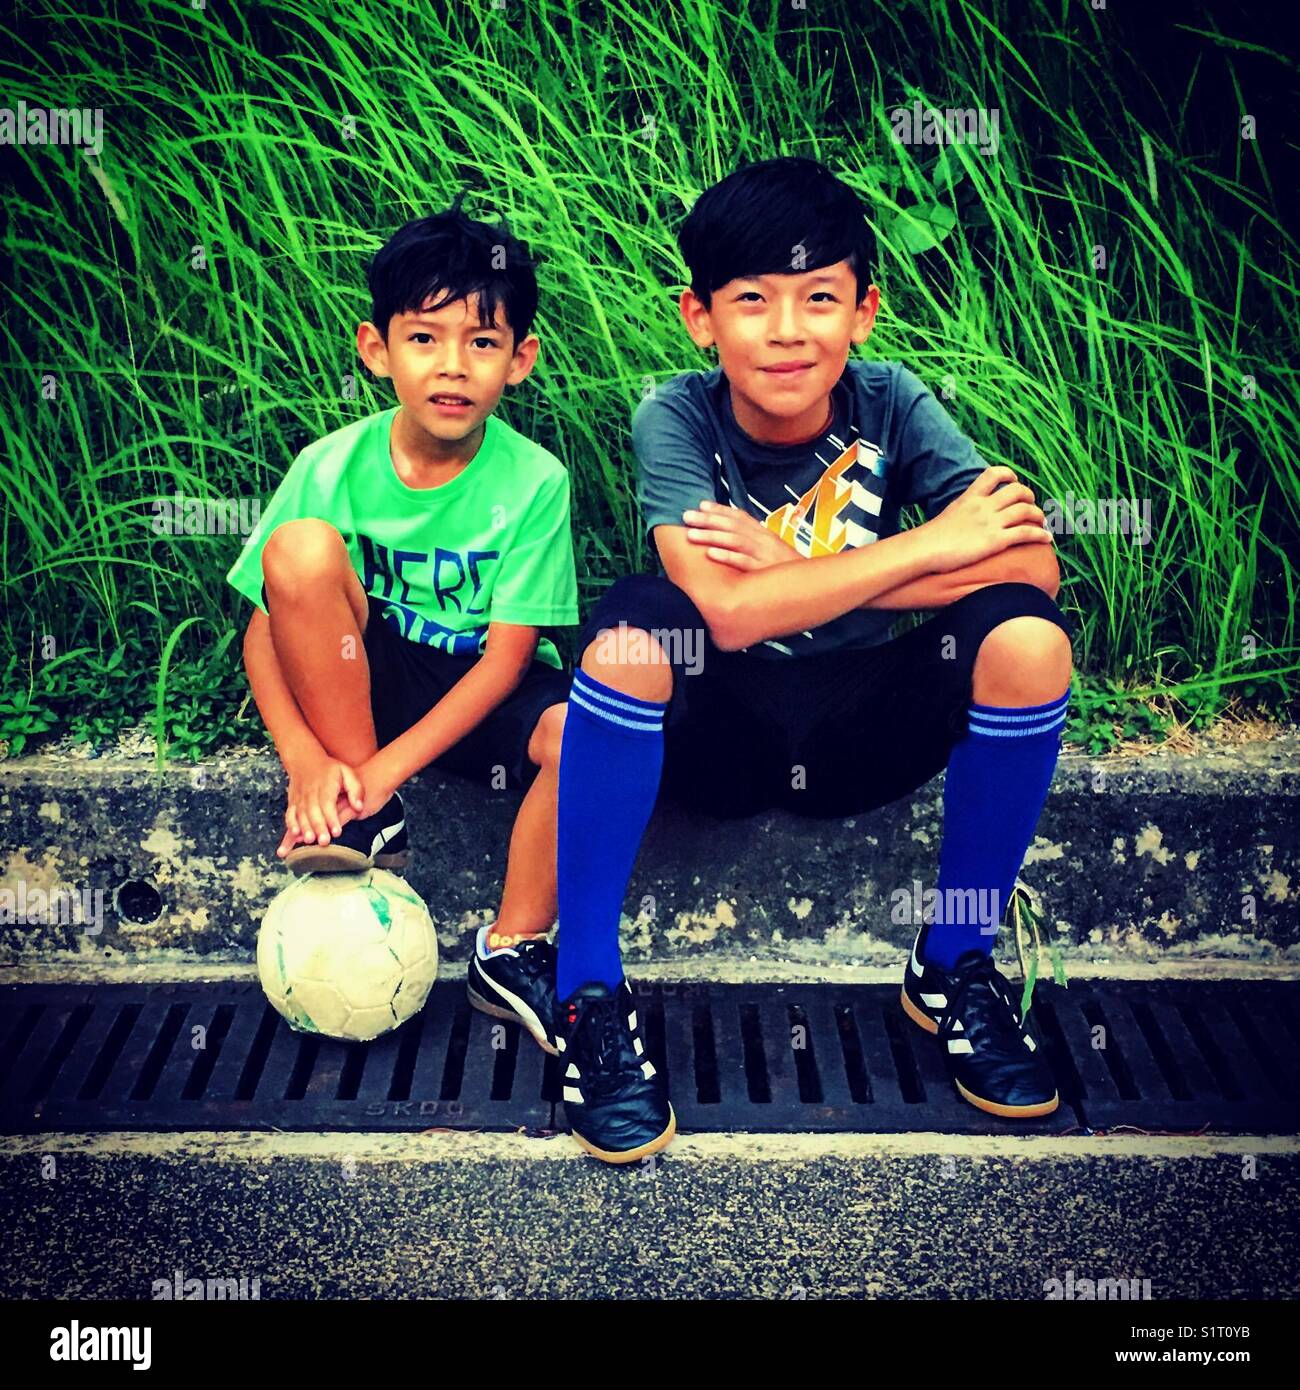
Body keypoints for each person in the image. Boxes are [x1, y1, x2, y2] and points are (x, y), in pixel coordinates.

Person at [485, 157, 1073, 1163]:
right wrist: (934, 546)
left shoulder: (892, 402)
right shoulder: (675, 413)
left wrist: (811, 567)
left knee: (1024, 637)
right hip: (722, 734)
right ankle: (588, 993)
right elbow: (724, 611)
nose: (788, 328)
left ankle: (952, 965)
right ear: (700, 319)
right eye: (752, 301)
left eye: (819, 298)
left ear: (864, 310)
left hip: (860, 726)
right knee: (632, 626)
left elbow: (1029, 563)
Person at [227, 199, 577, 1040]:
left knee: (583, 735)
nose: (452, 367)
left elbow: (503, 664)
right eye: (424, 338)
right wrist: (310, 759)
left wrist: (391, 767)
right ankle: (363, 819)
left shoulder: (534, 482)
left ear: (519, 360)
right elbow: (263, 627)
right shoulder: (332, 464)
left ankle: (512, 948)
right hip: (365, 679)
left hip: (479, 692)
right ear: (376, 349)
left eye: (482, 343)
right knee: (303, 549)